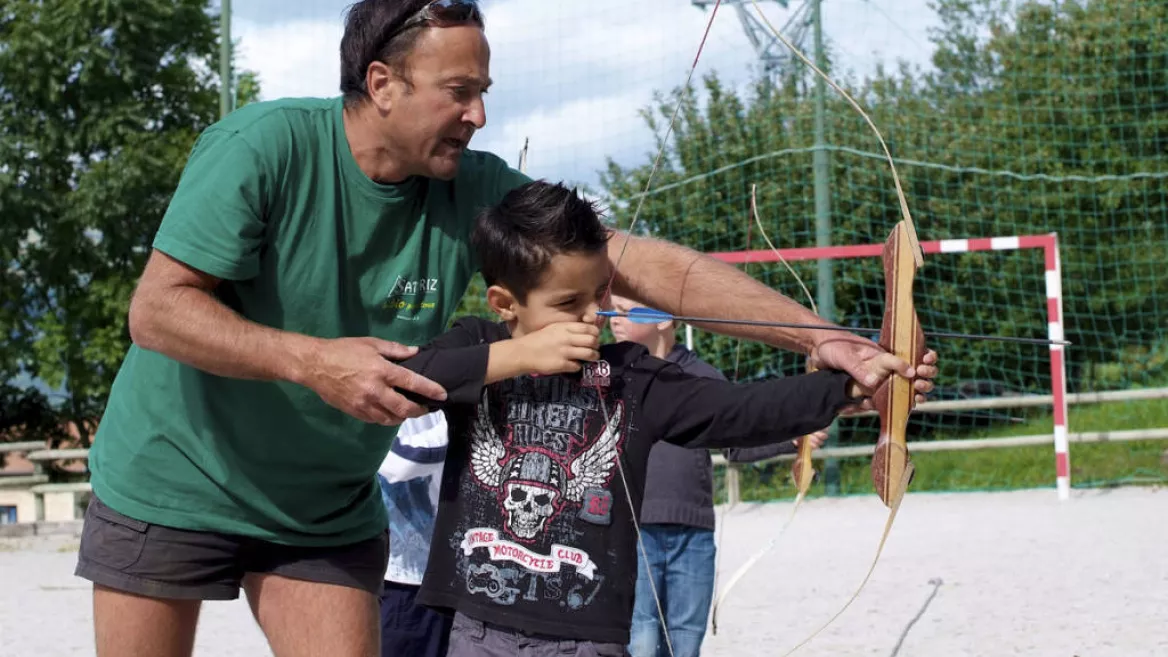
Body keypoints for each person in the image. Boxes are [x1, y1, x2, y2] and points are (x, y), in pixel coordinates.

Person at [75, 1, 937, 655]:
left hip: (322, 505)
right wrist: (313, 362)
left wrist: (821, 341)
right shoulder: (263, 147)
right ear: (382, 83)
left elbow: (639, 263)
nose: (479, 116)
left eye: (483, 93)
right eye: (460, 92)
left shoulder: (475, 189)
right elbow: (155, 310)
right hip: (174, 474)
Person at [388, 180, 933, 656]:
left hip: (588, 637)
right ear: (505, 304)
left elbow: (735, 412)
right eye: (567, 302)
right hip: (477, 630)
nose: (592, 314)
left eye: (600, 292)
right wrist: (521, 357)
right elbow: (416, 374)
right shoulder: (476, 349)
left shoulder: (630, 376)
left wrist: (844, 387)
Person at [608, 294, 826, 657]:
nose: (612, 320)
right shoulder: (611, 374)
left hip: (694, 534)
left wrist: (792, 439)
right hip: (634, 529)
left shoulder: (702, 377)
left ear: (663, 319)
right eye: (610, 312)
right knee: (642, 640)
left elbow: (737, 444)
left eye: (623, 312)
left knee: (686, 641)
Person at [375, 410, 455, 657]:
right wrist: (470, 416)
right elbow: (401, 460)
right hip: (399, 581)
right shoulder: (376, 383)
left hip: (450, 579)